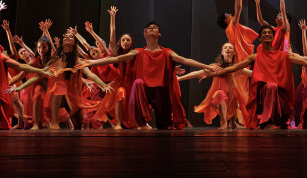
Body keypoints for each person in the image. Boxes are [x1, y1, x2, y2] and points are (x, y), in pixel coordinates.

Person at [82, 22, 219, 129]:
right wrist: (93, 61)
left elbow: (185, 60)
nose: (152, 28)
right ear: (144, 33)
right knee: (138, 83)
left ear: (159, 34)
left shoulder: (166, 52)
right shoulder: (138, 52)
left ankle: (163, 120)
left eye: (155, 28)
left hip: (160, 92)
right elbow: (116, 59)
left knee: (163, 126)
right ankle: (141, 120)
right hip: (143, 91)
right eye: (149, 28)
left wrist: (207, 66)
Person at [216, 24, 307, 129]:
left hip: (280, 93)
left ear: (272, 36)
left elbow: (305, 62)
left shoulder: (282, 55)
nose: (267, 34)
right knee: (271, 86)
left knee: (275, 88)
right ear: (260, 38)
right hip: (264, 92)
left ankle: (279, 120)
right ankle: (268, 122)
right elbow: (234, 67)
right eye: (264, 33)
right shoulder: (255, 56)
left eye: (269, 33)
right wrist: (216, 71)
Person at [179, 42, 251, 129]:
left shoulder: (237, 68)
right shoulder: (215, 67)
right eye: (225, 48)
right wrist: (179, 79)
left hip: (232, 98)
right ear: (222, 52)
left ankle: (232, 122)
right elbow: (197, 73)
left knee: (237, 94)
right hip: (218, 98)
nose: (228, 49)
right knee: (220, 94)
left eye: (230, 48)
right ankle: (224, 122)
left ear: (234, 52)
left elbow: (253, 74)